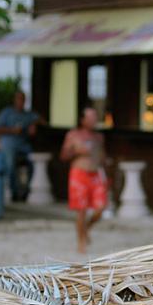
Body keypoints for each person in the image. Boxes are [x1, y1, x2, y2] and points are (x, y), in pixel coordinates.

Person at [60, 107, 107, 254]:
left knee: (100, 209)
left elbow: (102, 156)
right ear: (83, 120)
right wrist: (76, 151)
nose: (94, 120)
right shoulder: (73, 135)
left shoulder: (99, 137)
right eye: (90, 117)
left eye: (95, 117)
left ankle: (86, 229)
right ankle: (81, 242)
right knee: (81, 211)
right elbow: (63, 156)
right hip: (78, 174)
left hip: (95, 175)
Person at [0, 91, 40, 202]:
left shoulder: (28, 115)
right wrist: (12, 130)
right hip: (8, 143)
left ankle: (26, 192)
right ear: (14, 100)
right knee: (10, 165)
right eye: (19, 99)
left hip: (23, 145)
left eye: (23, 99)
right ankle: (13, 193)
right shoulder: (7, 113)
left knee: (35, 163)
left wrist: (34, 125)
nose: (21, 102)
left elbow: (41, 120)